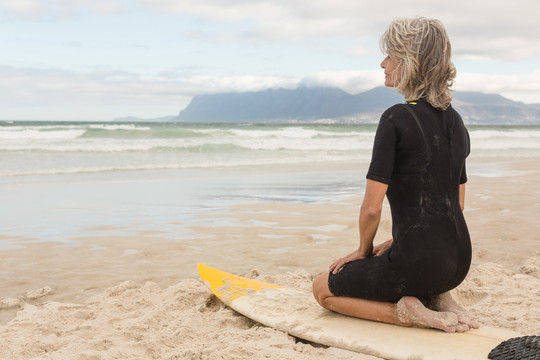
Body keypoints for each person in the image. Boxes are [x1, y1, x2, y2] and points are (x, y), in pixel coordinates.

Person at [312, 17, 479, 333]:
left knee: (322, 289)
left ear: (409, 62)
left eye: (391, 56)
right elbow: (454, 205)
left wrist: (363, 250)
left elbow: (372, 208)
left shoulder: (395, 119)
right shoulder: (457, 122)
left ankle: (405, 313)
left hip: (416, 265)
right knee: (408, 263)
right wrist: (394, 241)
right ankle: (438, 296)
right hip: (458, 263)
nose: (383, 63)